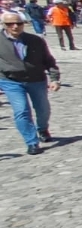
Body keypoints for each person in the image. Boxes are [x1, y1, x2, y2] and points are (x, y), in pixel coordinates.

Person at [0, 11, 59, 155]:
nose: (15, 26)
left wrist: (54, 78)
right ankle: (32, 142)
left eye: (18, 23)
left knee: (43, 109)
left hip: (36, 79)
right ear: (3, 25)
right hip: (11, 81)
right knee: (21, 111)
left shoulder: (35, 40)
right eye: (10, 24)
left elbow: (48, 60)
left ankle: (42, 129)